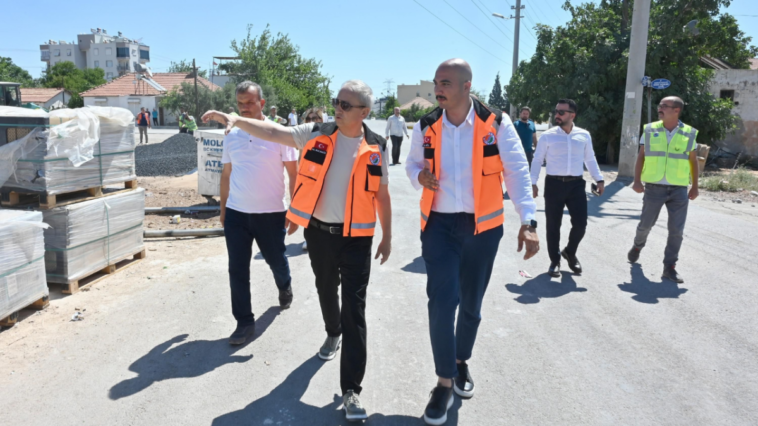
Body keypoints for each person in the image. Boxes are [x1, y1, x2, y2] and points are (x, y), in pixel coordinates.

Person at [202, 80, 392, 422]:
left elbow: (382, 193)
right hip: (319, 234)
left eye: (346, 105)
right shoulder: (316, 133)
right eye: (336, 101)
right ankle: (332, 332)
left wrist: (387, 236)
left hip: (358, 239)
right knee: (325, 290)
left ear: (364, 112)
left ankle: (351, 389)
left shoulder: (376, 145)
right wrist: (236, 119)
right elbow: (274, 132)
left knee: (355, 309)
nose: (337, 108)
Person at [405, 59, 539, 425]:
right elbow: (411, 164)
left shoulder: (496, 123)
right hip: (439, 226)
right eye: (436, 82)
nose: (438, 89)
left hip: (483, 229)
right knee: (441, 301)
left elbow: (516, 171)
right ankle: (444, 381)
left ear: (467, 86)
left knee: (471, 304)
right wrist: (420, 176)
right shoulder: (426, 125)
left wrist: (528, 220)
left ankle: (460, 360)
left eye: (446, 82)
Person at [219, 81, 299, 346]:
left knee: (276, 260)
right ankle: (244, 322)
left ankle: (284, 285)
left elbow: (293, 173)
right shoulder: (231, 134)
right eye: (240, 103)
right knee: (237, 269)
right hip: (237, 214)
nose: (245, 107)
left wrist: (295, 209)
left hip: (271, 213)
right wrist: (223, 210)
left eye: (250, 102)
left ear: (262, 103)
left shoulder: (279, 133)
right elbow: (226, 175)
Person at [628, 96, 699, 283]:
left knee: (676, 231)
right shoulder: (650, 129)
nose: (660, 108)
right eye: (660, 105)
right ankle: (637, 246)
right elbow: (641, 156)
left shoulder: (689, 133)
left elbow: (693, 161)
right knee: (645, 225)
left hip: (679, 189)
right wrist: (637, 181)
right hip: (654, 187)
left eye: (664, 106)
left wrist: (695, 186)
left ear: (676, 110)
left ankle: (669, 267)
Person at [530, 99, 604, 278]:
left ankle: (570, 252)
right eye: (556, 111)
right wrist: (532, 183)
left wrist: (599, 179)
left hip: (576, 185)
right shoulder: (547, 136)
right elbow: (537, 159)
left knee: (580, 224)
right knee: (553, 225)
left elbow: (590, 158)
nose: (557, 115)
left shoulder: (583, 135)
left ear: (572, 115)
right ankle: (554, 261)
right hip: (554, 184)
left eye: (561, 112)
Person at [298, 107, 325, 252]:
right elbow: (300, 158)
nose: (311, 121)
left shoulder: (328, 135)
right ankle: (308, 239)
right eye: (308, 119)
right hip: (308, 178)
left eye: (315, 118)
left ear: (321, 119)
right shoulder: (304, 136)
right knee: (309, 209)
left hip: (324, 178)